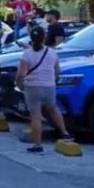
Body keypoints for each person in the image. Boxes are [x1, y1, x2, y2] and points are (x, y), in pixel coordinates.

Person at [15, 25, 73, 153]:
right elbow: (57, 71)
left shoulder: (27, 54)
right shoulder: (52, 53)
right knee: (53, 108)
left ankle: (37, 145)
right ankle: (65, 132)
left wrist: (19, 83)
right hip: (49, 86)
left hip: (32, 87)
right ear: (44, 38)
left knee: (35, 116)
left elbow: (21, 73)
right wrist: (53, 80)